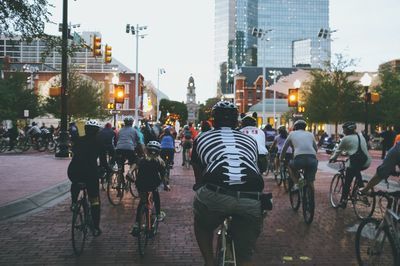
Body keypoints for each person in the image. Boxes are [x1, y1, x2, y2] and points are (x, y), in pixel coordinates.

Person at [191, 101, 266, 266]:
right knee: (245, 257)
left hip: (216, 193)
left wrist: (199, 185)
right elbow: (255, 165)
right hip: (251, 196)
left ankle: (209, 262)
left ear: (213, 120)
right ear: (236, 120)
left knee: (202, 224)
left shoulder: (202, 137)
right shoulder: (250, 140)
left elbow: (198, 170)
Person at [67, 119, 102, 236]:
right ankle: (96, 227)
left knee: (76, 182)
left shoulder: (79, 139)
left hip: (74, 169)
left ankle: (73, 202)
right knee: (95, 200)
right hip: (90, 173)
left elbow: (74, 138)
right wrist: (104, 170)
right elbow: (103, 162)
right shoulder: (98, 142)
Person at [329, 121, 371, 208]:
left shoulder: (346, 139)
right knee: (356, 171)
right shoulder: (360, 136)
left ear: (347, 130)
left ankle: (344, 201)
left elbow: (338, 151)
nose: (343, 130)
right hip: (366, 161)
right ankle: (360, 187)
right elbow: (357, 148)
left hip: (355, 162)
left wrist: (332, 158)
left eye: (344, 129)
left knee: (347, 181)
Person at [130, 141, 167, 236]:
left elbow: (135, 164)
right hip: (153, 184)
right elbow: (163, 176)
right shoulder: (160, 162)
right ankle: (158, 214)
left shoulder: (142, 160)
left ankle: (137, 224)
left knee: (142, 202)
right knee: (156, 195)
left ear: (147, 150)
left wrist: (130, 172)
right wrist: (166, 185)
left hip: (141, 184)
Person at [280, 120, 318, 191]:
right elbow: (316, 148)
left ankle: (297, 183)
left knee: (290, 166)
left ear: (295, 127)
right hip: (312, 159)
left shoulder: (292, 134)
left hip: (299, 158)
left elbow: (284, 148)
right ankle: (311, 198)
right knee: (310, 181)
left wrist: (281, 158)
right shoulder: (310, 134)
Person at [115, 116, 140, 181]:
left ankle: (120, 178)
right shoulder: (134, 130)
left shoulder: (120, 130)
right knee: (135, 161)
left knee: (120, 163)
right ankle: (130, 172)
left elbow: (117, 139)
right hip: (129, 148)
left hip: (119, 148)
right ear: (132, 123)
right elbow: (138, 140)